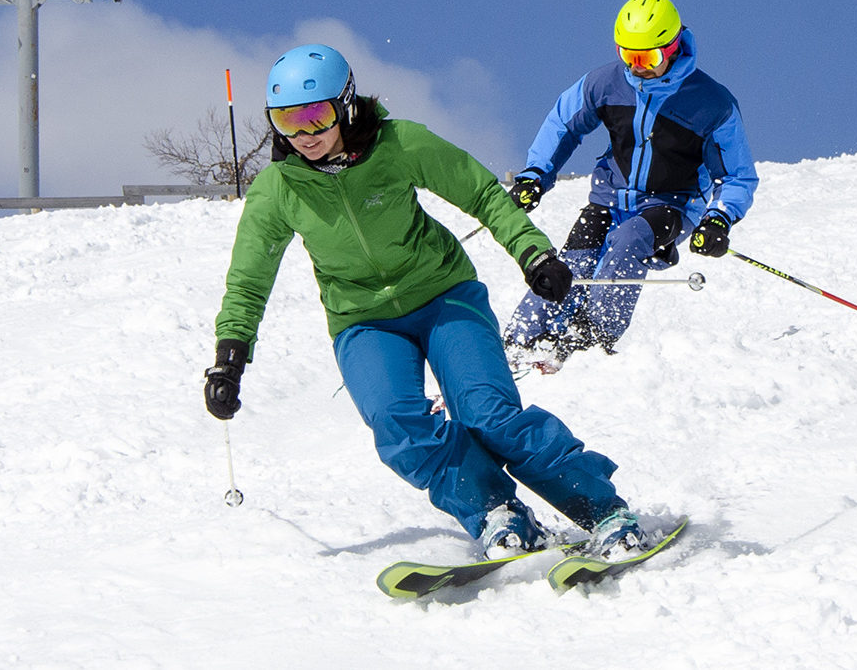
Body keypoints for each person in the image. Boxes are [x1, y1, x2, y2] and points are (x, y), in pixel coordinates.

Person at [203, 44, 649, 559]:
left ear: (345, 105)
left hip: (444, 297)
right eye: (287, 121)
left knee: (489, 415)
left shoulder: (398, 143)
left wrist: (534, 254)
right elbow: (247, 282)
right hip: (364, 322)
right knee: (398, 426)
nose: (304, 135)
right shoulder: (277, 189)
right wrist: (229, 359)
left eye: (316, 115)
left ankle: (603, 510)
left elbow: (479, 192)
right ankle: (494, 511)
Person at [503, 0, 759, 371]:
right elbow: (562, 124)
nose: (637, 69)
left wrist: (719, 218)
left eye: (648, 59)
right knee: (574, 259)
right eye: (629, 56)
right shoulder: (605, 83)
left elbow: (737, 176)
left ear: (672, 47)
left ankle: (591, 336)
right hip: (610, 195)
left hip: (671, 204)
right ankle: (521, 338)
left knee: (628, 240)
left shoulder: (712, 103)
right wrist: (535, 175)